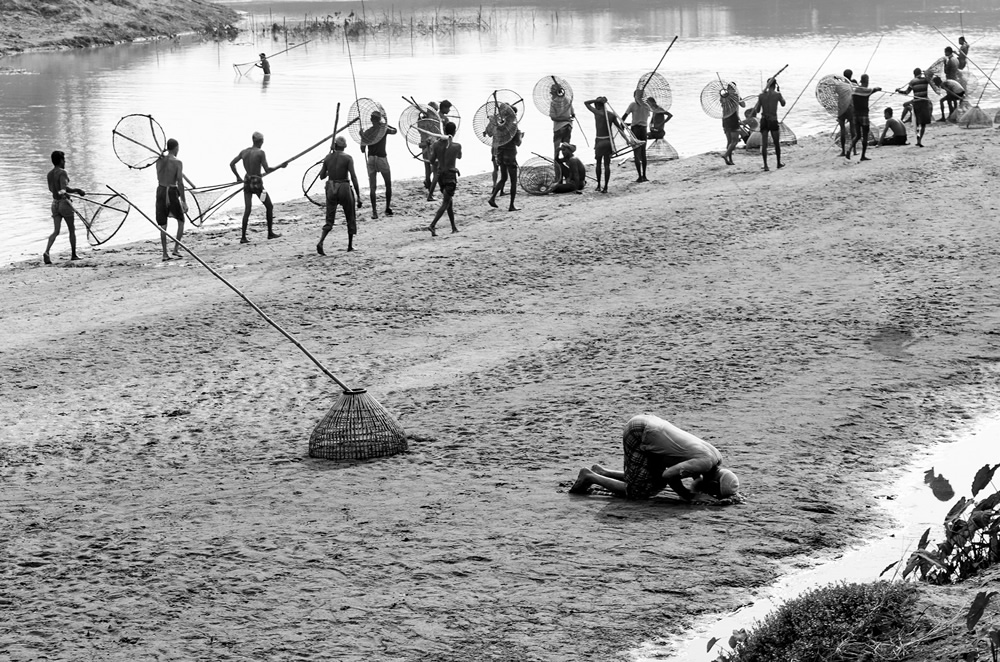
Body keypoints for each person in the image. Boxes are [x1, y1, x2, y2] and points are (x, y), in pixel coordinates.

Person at [568, 414, 740, 502]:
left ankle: (602, 471)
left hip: (650, 425)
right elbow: (668, 475)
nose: (711, 494)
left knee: (652, 480)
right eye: (714, 492)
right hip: (639, 432)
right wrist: (688, 496)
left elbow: (691, 468)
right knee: (640, 491)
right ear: (714, 483)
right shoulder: (705, 463)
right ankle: (590, 476)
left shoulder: (716, 458)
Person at [229, 131, 287, 243]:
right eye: (262, 141)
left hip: (247, 182)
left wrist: (238, 177)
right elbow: (267, 169)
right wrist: (281, 166)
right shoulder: (260, 153)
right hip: (257, 184)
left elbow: (232, 164)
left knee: (247, 209)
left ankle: (243, 237)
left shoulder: (244, 152)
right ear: (260, 141)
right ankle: (270, 233)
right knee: (269, 206)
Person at [317, 135, 362, 254]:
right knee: (350, 216)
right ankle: (350, 245)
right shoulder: (348, 158)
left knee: (329, 219)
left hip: (331, 187)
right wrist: (358, 196)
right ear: (345, 146)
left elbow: (321, 176)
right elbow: (353, 176)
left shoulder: (328, 158)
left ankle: (321, 241)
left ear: (334, 146)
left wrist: (329, 170)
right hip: (343, 187)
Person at [44, 150, 85, 264]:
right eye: (64, 160)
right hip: (64, 203)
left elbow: (52, 189)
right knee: (71, 229)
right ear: (61, 161)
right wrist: (78, 190)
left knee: (56, 231)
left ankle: (47, 252)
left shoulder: (49, 174)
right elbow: (64, 188)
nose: (65, 162)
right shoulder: (62, 172)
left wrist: (63, 192)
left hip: (54, 204)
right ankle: (74, 255)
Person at [359, 110, 397, 219]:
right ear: (380, 119)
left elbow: (362, 150)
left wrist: (362, 136)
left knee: (372, 187)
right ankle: (387, 207)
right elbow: (395, 131)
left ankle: (374, 212)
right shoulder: (384, 130)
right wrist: (386, 124)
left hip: (371, 159)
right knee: (388, 184)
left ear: (371, 120)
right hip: (381, 158)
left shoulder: (367, 132)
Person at [155, 138, 188, 260]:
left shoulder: (159, 160)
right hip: (172, 191)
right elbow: (180, 183)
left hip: (161, 190)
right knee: (181, 221)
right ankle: (175, 249)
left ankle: (164, 254)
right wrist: (183, 201)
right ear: (176, 148)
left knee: (163, 225)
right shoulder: (177, 162)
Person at [583, 96, 625, 193]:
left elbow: (586, 103)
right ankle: (605, 187)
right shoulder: (611, 115)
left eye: (596, 104)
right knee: (606, 164)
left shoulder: (597, 113)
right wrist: (627, 140)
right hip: (608, 142)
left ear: (598, 105)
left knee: (598, 164)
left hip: (599, 141)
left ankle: (598, 185)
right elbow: (620, 129)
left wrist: (596, 100)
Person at [428, 121, 461, 236]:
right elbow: (459, 156)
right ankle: (432, 225)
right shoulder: (456, 146)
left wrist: (431, 148)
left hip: (440, 176)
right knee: (446, 203)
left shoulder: (436, 145)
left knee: (449, 203)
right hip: (450, 176)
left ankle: (453, 227)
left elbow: (431, 161)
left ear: (444, 131)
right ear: (454, 131)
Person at [487, 103, 522, 211]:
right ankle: (511, 205)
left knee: (503, 178)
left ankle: (492, 198)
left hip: (500, 154)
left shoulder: (499, 125)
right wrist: (520, 135)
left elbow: (492, 134)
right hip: (510, 155)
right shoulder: (513, 127)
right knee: (513, 181)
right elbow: (518, 143)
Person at [752, 77, 785, 171]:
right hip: (773, 120)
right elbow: (783, 104)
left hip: (764, 120)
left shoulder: (761, 96)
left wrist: (760, 100)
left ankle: (766, 165)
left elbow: (757, 110)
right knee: (776, 143)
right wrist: (779, 92)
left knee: (764, 144)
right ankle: (778, 163)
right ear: (774, 86)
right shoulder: (777, 95)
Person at [896, 68, 931, 147]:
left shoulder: (913, 82)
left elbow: (906, 92)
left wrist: (899, 91)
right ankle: (920, 140)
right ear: (920, 73)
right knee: (923, 124)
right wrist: (926, 73)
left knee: (917, 123)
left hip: (917, 104)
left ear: (914, 74)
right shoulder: (926, 80)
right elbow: (932, 78)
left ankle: (918, 140)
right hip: (924, 103)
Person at [849, 74, 881, 161]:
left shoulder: (854, 91)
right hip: (864, 115)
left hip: (855, 115)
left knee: (858, 135)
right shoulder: (867, 90)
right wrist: (879, 88)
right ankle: (863, 156)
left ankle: (849, 150)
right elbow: (876, 89)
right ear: (866, 81)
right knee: (865, 136)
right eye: (868, 81)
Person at [622, 88, 650, 182]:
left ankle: (640, 176)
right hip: (644, 129)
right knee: (643, 153)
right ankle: (645, 176)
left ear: (635, 97)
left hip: (635, 130)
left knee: (636, 153)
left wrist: (622, 127)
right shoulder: (647, 106)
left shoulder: (632, 105)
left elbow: (623, 118)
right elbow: (643, 118)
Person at [548, 81, 575, 175]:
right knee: (566, 149)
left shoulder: (554, 102)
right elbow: (573, 114)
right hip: (568, 127)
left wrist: (563, 118)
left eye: (551, 92)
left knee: (556, 150)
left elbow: (553, 117)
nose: (550, 94)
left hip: (559, 128)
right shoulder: (567, 100)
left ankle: (557, 174)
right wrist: (567, 118)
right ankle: (570, 172)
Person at [720, 85, 745, 166]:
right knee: (735, 141)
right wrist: (738, 96)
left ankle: (730, 159)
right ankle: (726, 155)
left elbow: (722, 103)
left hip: (725, 119)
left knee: (729, 141)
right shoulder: (735, 97)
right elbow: (743, 105)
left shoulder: (723, 97)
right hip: (733, 119)